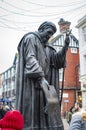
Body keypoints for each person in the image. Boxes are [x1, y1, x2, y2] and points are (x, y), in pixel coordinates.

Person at [16, 21, 70, 130]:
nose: (49, 36)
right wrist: (41, 78)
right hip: (33, 85)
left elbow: (56, 61)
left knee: (47, 110)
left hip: (44, 85)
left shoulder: (47, 46)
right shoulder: (30, 38)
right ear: (41, 29)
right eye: (48, 32)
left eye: (51, 34)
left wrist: (65, 46)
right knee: (34, 112)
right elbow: (30, 59)